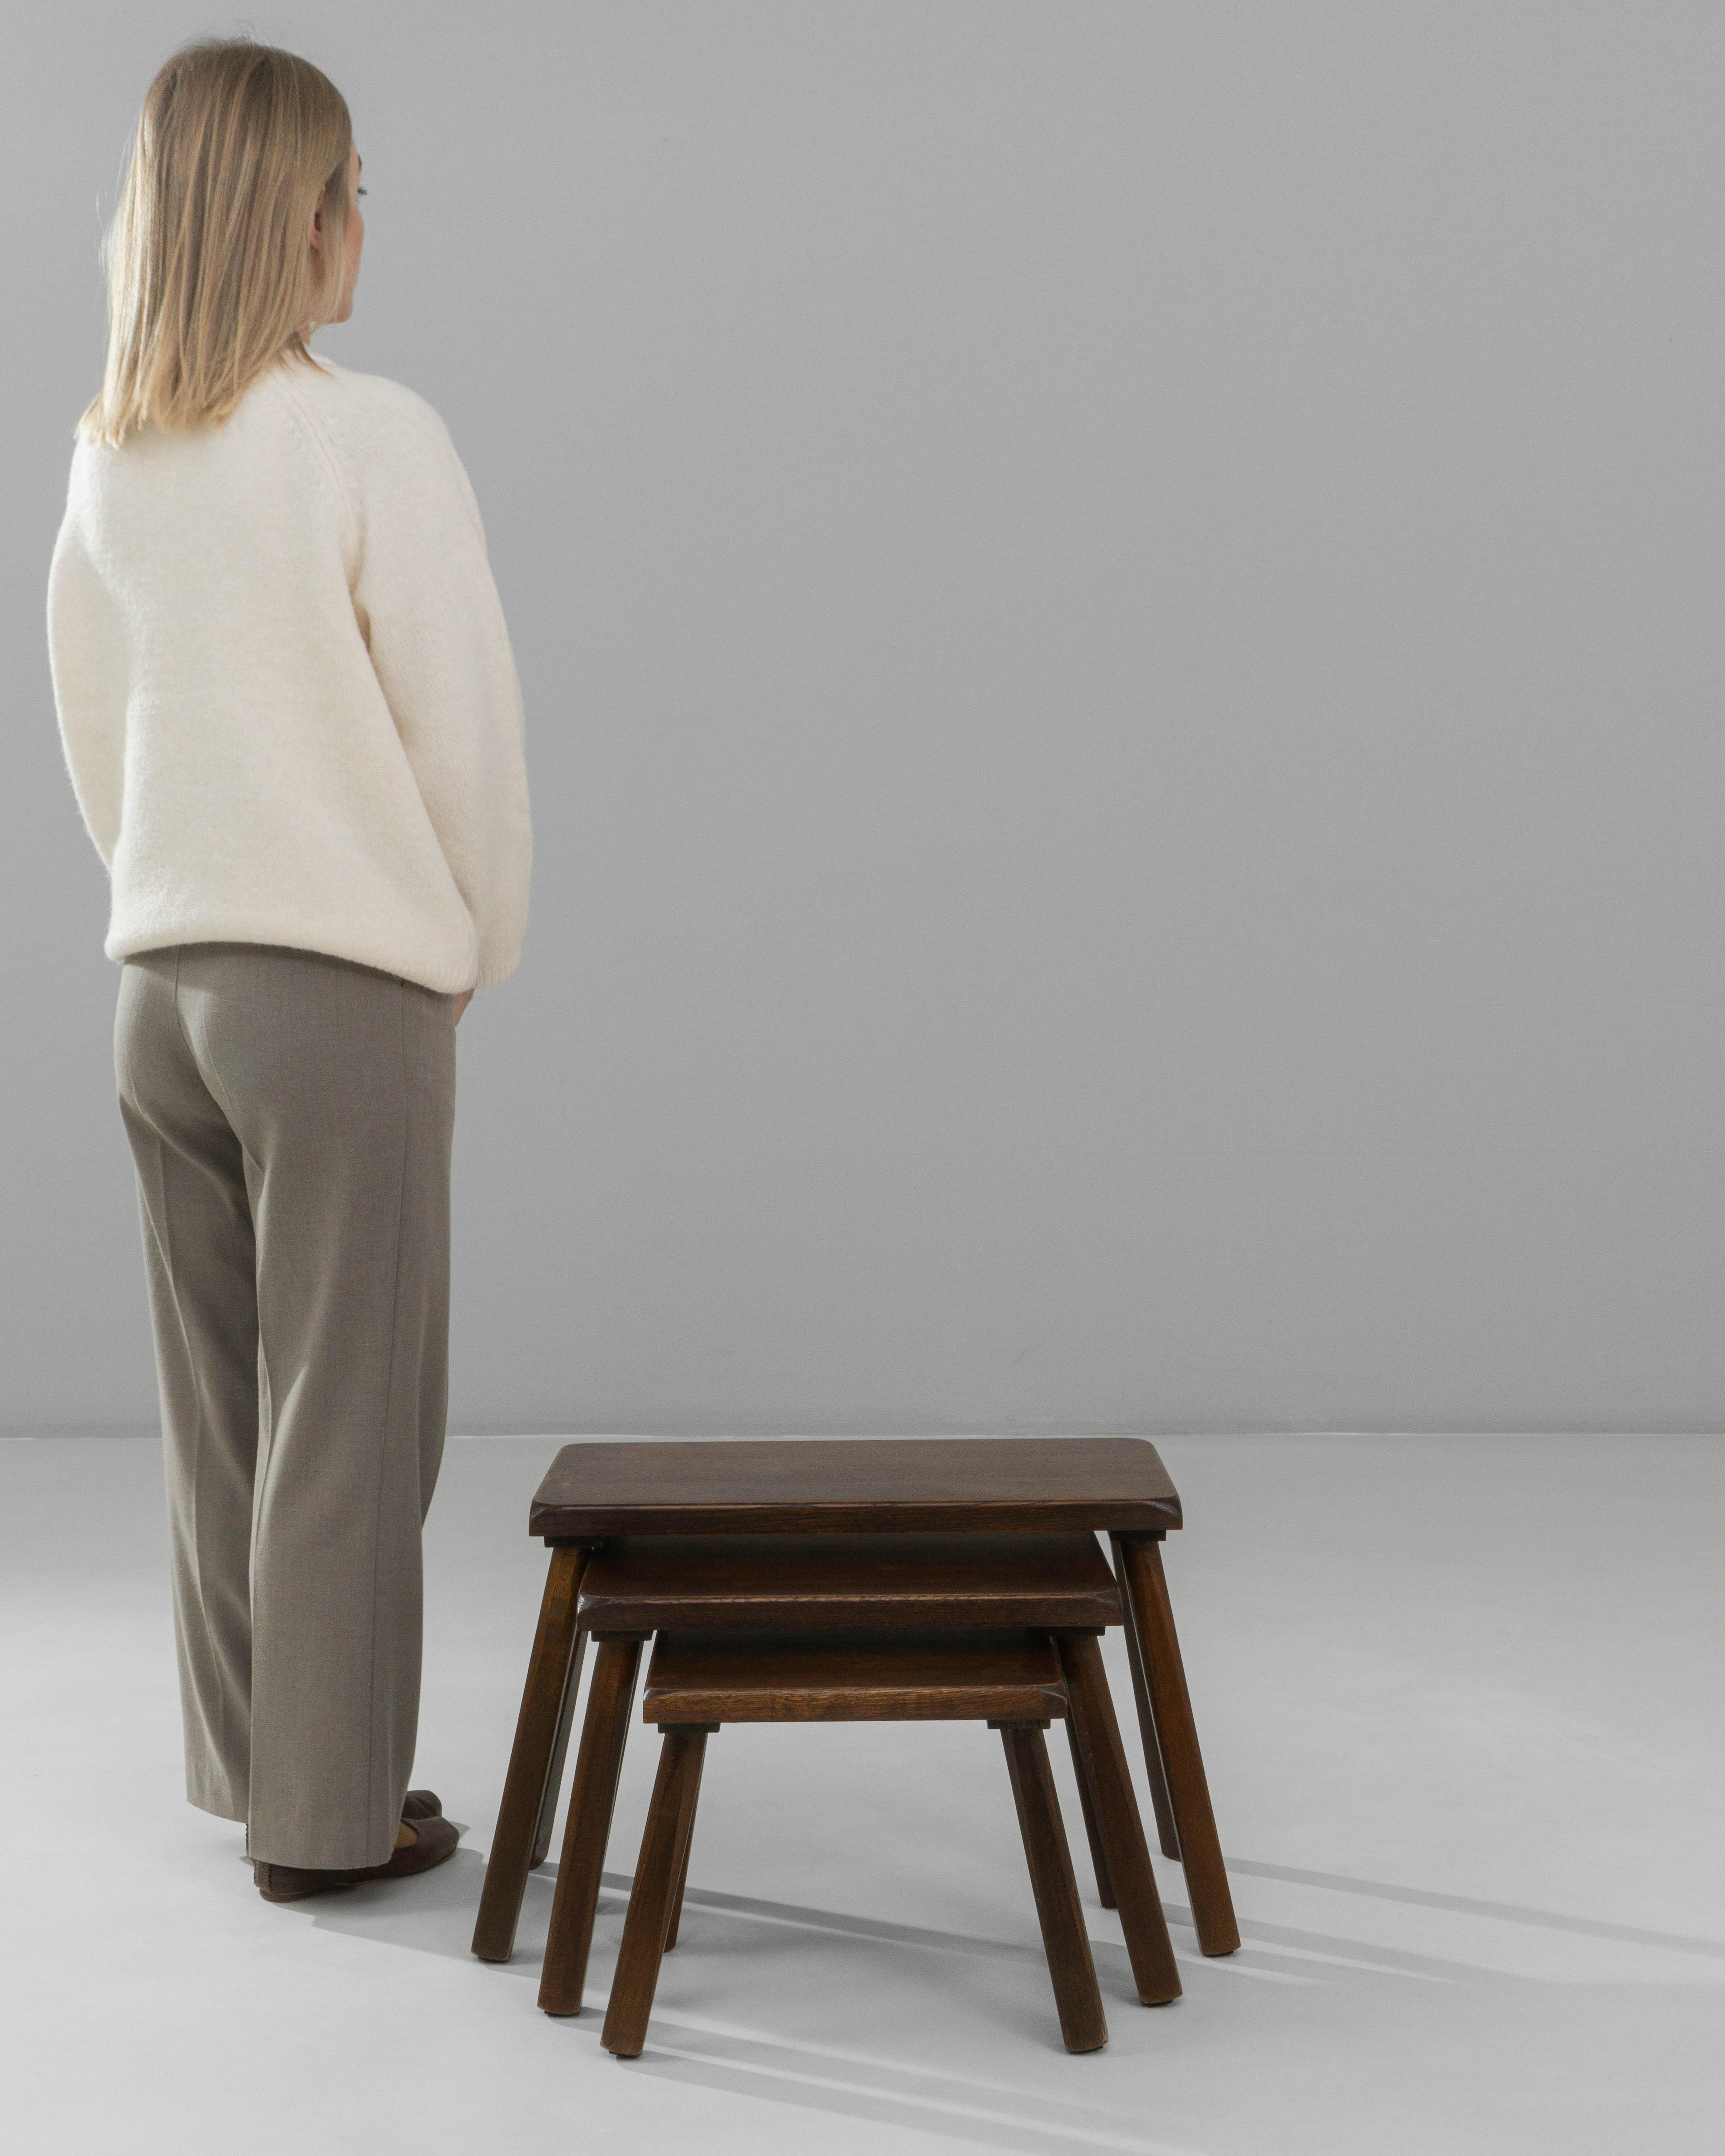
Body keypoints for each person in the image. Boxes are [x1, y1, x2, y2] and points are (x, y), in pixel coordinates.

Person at [46, 38, 531, 1903]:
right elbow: (460, 723)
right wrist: (471, 932)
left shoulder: (114, 454)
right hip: (338, 986)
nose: (359, 220)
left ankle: (256, 1767)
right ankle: (330, 1826)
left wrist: (174, 890)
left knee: (225, 1405)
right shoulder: (366, 433)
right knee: (354, 1410)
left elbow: (98, 724)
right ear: (297, 217)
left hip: (159, 979)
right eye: (346, 187)